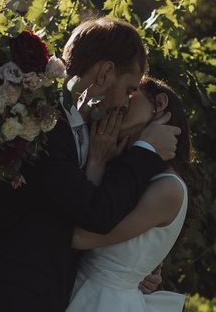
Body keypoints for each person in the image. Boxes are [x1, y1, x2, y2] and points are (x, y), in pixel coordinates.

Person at [0, 18, 181, 312]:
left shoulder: (80, 129)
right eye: (130, 89)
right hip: (13, 295)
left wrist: (138, 265)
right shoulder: (46, 128)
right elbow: (95, 214)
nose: (125, 103)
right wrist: (147, 150)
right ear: (105, 73)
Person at [67, 77, 195, 312]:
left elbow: (83, 237)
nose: (120, 102)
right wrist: (98, 160)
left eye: (131, 94)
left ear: (159, 102)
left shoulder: (168, 188)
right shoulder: (125, 167)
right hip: (76, 288)